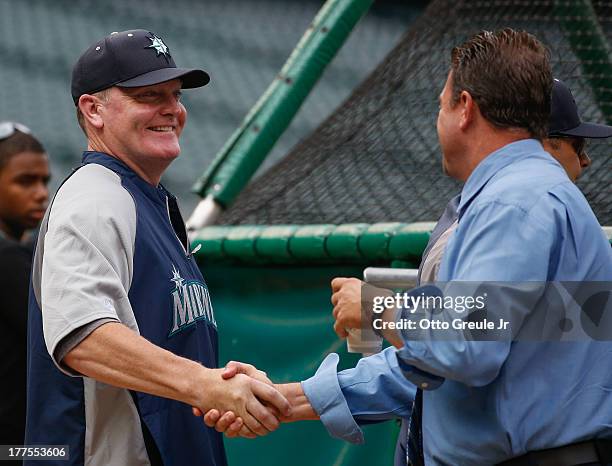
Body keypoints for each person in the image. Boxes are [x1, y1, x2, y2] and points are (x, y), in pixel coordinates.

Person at [206, 29, 612, 465]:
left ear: (465, 109)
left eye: (441, 104)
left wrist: (381, 309)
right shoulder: (517, 197)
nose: (438, 117)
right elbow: (438, 368)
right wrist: (285, 399)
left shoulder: (516, 202)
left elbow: (466, 345)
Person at [25, 30, 289, 466]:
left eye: (175, 94)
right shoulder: (95, 198)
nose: (172, 109)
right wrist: (205, 383)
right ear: (93, 110)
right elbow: (82, 336)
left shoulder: (143, 199)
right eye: (149, 95)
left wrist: (225, 382)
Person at [0, 123, 49, 461]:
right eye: (25, 181)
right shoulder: (8, 259)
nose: (41, 192)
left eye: (44, 181)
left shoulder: (24, 252)